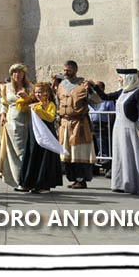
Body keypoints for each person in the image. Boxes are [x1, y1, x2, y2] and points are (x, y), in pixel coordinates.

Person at [95, 68, 139, 194]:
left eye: (121, 77)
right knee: (120, 154)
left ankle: (134, 183)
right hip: (118, 128)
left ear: (128, 78)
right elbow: (105, 96)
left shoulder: (137, 92)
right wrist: (94, 86)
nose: (119, 80)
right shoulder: (121, 92)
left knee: (131, 154)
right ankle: (120, 183)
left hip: (130, 127)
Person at [56, 60, 99, 189]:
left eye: (68, 70)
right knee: (67, 153)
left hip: (79, 124)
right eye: (64, 70)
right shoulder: (61, 85)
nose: (65, 72)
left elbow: (96, 101)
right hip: (64, 124)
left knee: (79, 153)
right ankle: (73, 178)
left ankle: (81, 179)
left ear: (75, 70)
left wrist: (91, 89)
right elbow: (57, 102)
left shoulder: (83, 84)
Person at [17, 82, 64, 193]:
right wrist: (24, 98)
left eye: (40, 92)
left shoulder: (50, 104)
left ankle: (43, 184)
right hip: (34, 133)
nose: (38, 94)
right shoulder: (34, 103)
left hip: (46, 134)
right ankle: (27, 183)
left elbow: (50, 117)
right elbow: (22, 107)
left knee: (44, 158)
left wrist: (38, 110)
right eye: (36, 92)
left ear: (46, 93)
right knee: (32, 155)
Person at [0, 63, 32, 189]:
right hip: (11, 122)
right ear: (11, 74)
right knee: (13, 152)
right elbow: (4, 104)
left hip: (26, 120)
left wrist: (26, 97)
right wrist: (2, 115)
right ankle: (19, 180)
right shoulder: (6, 88)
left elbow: (36, 102)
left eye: (20, 72)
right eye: (15, 72)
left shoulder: (30, 86)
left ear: (24, 74)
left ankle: (27, 179)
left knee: (23, 151)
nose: (17, 75)